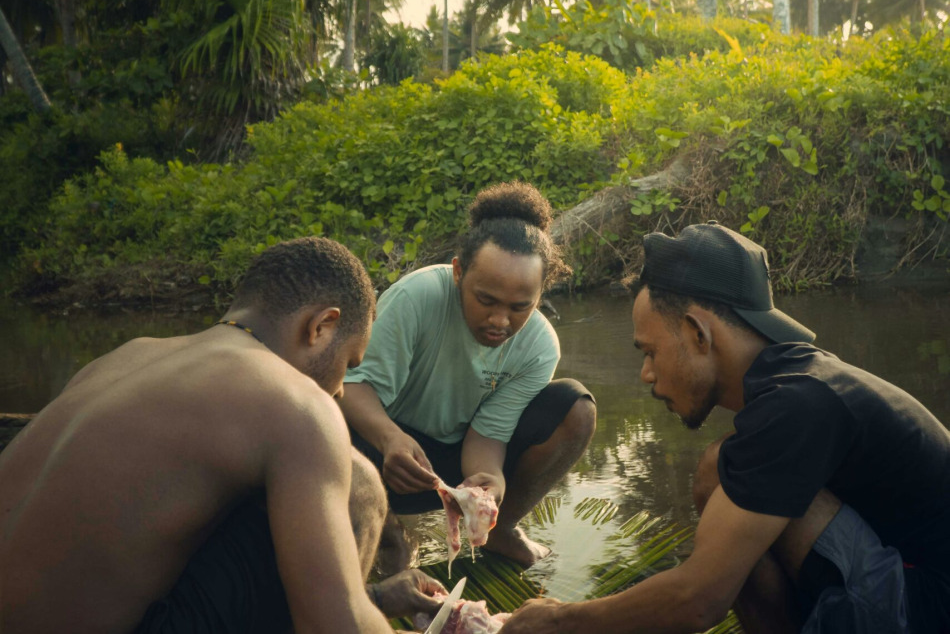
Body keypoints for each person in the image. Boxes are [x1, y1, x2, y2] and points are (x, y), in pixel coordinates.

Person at [501, 221, 950, 634]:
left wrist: (560, 622)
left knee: (723, 473)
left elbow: (699, 601)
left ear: (700, 333)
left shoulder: (798, 403)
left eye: (650, 351)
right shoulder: (797, 381)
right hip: (904, 582)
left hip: (922, 609)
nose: (646, 374)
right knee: (727, 466)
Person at [0, 236, 445, 634]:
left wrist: (376, 600)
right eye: (348, 363)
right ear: (321, 326)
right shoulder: (297, 404)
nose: (340, 389)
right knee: (358, 481)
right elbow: (334, 627)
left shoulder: (130, 354)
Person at [339, 182, 597, 568]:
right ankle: (386, 531)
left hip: (442, 471)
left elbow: (488, 433)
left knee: (575, 408)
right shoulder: (419, 297)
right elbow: (352, 385)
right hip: (377, 452)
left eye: (519, 307)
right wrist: (391, 437)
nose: (499, 321)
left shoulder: (540, 346)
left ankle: (499, 530)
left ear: (539, 296)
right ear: (458, 272)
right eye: (486, 300)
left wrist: (487, 479)